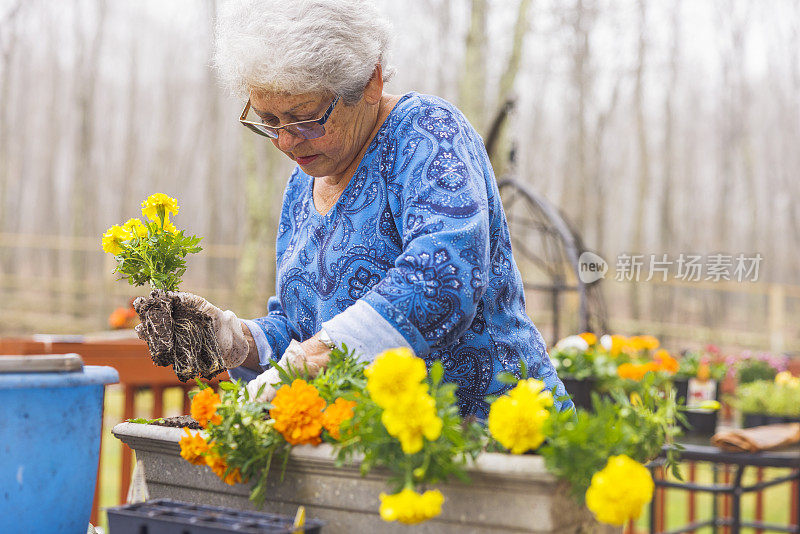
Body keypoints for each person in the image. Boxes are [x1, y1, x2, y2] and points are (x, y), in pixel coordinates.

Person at [141, 0, 571, 418]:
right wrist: (237, 340)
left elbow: (440, 280)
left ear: (371, 82)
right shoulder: (301, 183)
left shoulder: (426, 133)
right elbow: (302, 328)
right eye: (269, 121)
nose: (286, 142)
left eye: (305, 119)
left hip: (495, 437)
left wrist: (309, 361)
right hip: (378, 451)